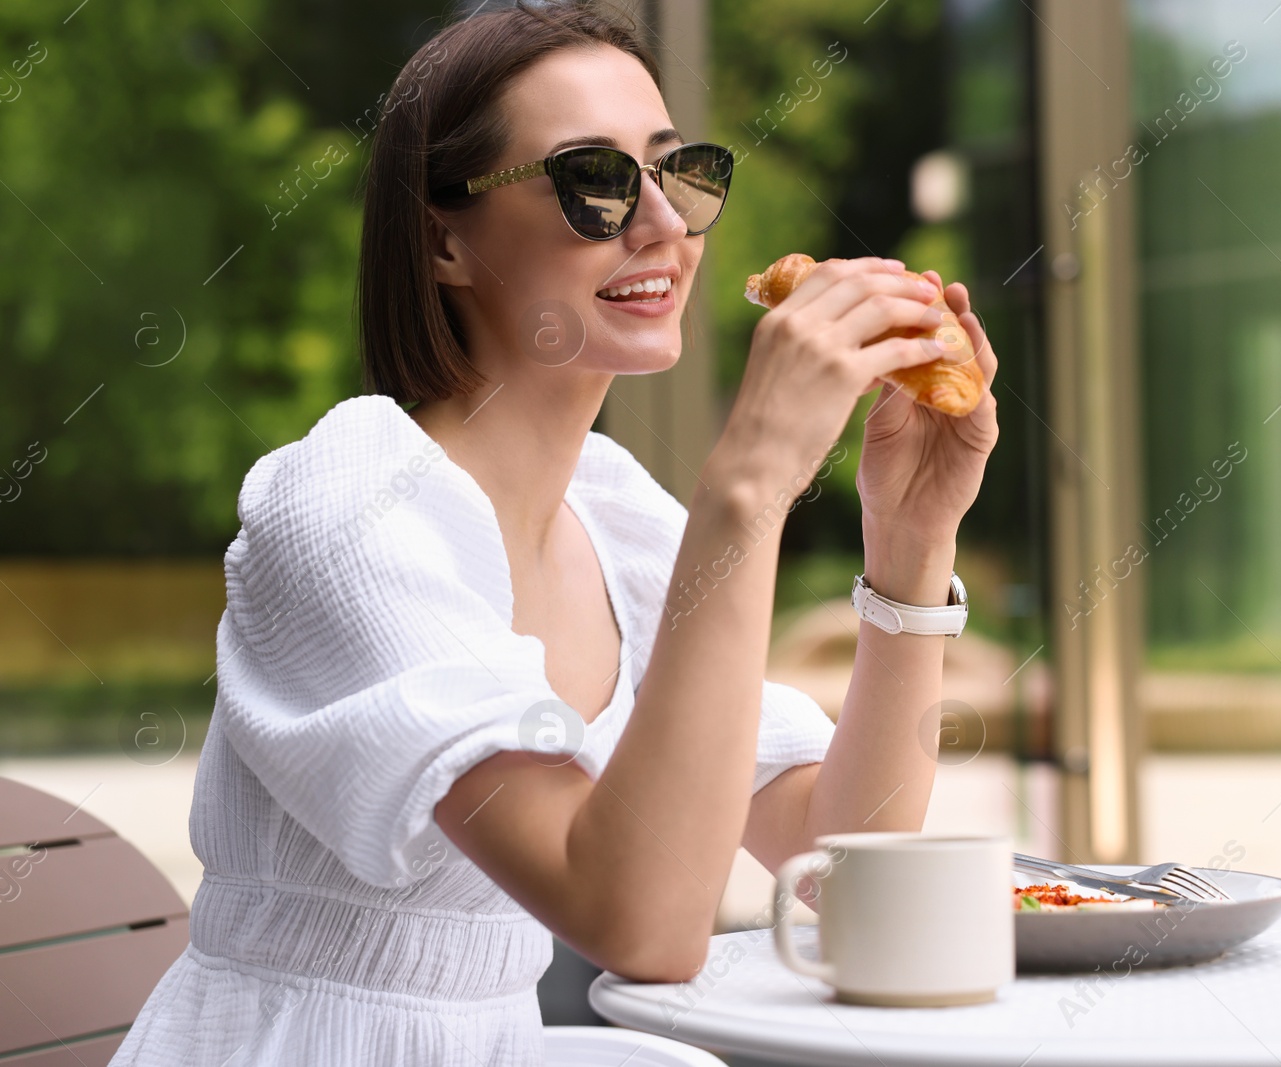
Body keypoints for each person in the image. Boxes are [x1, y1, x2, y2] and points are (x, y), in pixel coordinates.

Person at [109, 2, 999, 1063]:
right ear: (443, 238)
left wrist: (909, 544)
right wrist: (750, 480)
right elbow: (641, 924)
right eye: (593, 180)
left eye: (677, 172)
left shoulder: (614, 511)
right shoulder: (346, 512)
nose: (664, 226)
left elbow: (842, 865)